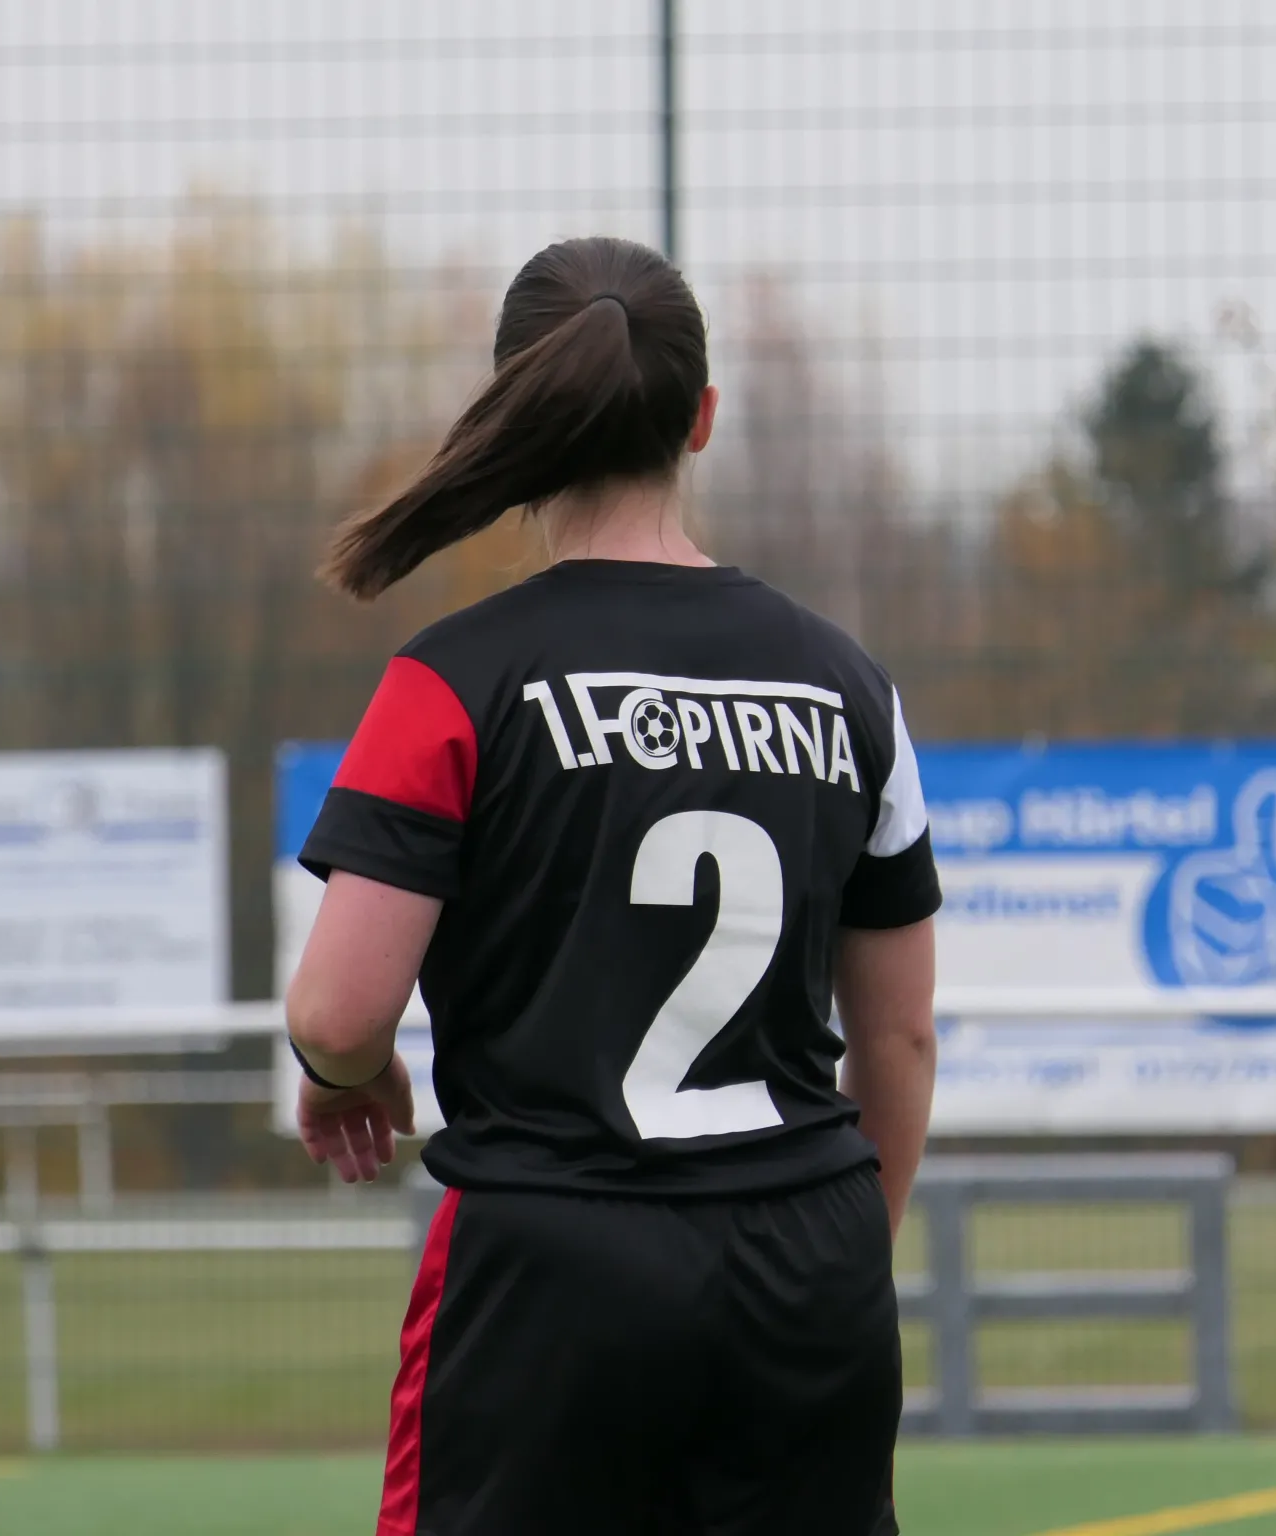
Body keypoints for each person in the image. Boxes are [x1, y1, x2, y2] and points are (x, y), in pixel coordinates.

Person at [285, 237, 939, 1536]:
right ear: (701, 419)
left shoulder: (452, 680)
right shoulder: (849, 686)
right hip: (808, 1265)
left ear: (513, 413)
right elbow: (900, 1038)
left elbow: (341, 1013)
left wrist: (342, 1074)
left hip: (553, 1269)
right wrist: (840, 1246)